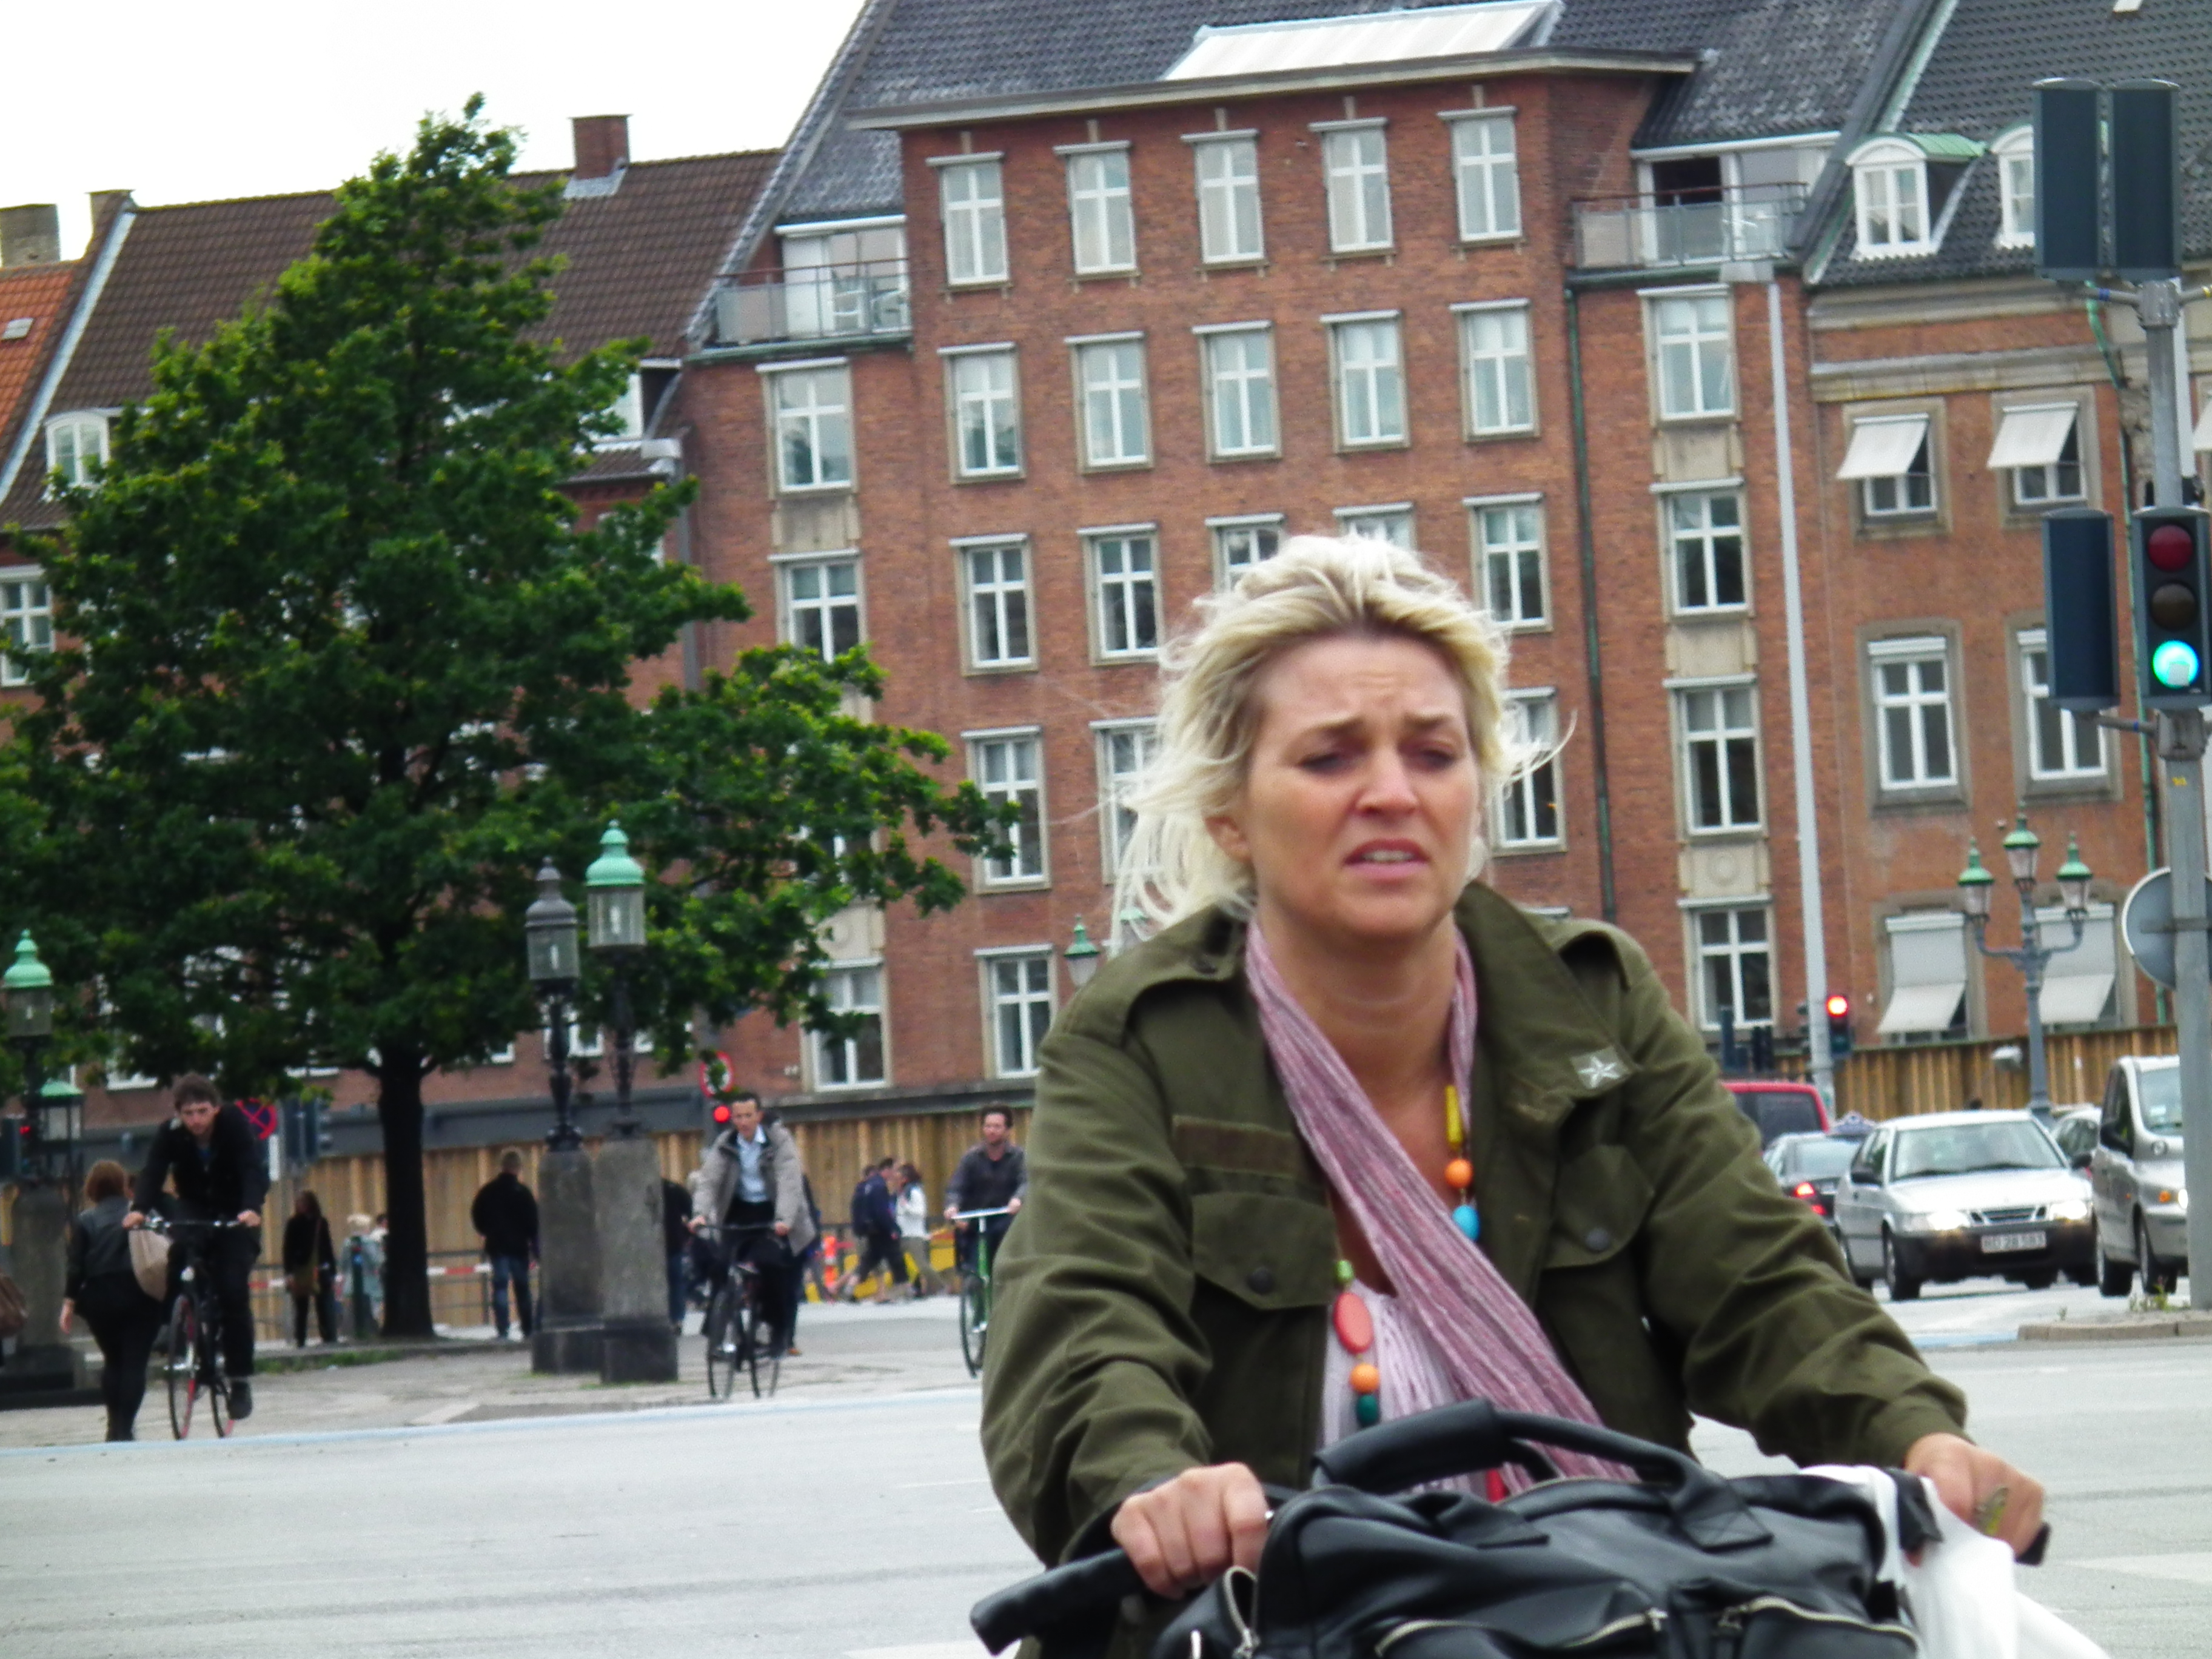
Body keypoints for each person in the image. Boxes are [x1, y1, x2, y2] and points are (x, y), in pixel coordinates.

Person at [979, 536, 2045, 1621]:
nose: (1391, 792)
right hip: (1280, 1624)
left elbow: (1758, 1279)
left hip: (1605, 1618)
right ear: (1229, 811)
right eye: (1330, 759)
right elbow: (1082, 1323)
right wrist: (1152, 1483)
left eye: (1433, 754)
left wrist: (1917, 1435)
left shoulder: (1591, 1000)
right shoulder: (1137, 1039)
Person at [124, 1075, 267, 1419]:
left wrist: (251, 1207)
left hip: (235, 1211)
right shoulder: (171, 1133)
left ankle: (239, 1379)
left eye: (203, 1111)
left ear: (216, 1108)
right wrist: (140, 1209)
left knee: (233, 1291)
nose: (196, 1121)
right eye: (188, 1114)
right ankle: (176, 1322)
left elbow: (251, 1168)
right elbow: (154, 1171)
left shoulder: (233, 1125)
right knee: (179, 1254)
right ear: (179, 1114)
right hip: (196, 1207)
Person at [692, 1090, 815, 1358]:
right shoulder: (726, 1144)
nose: (743, 1122)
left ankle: (776, 1331)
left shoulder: (779, 1141)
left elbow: (789, 1181)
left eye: (748, 1116)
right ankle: (718, 1335)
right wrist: (700, 1214)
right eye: (738, 1117)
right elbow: (709, 1181)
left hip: (772, 1212)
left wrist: (784, 1219)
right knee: (721, 1267)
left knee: (771, 1267)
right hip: (740, 1211)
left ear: (759, 1116)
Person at [61, 1160, 166, 1441]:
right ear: (123, 1184)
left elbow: (76, 1266)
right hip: (140, 1294)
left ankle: (112, 1424)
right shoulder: (143, 1213)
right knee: (135, 1363)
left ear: (92, 1188)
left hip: (100, 1298)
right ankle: (125, 1427)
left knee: (113, 1360)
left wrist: (69, 1303)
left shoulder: (85, 1220)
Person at [943, 1107, 1027, 1282]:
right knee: (972, 1266)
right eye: (988, 1126)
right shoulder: (971, 1158)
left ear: (1008, 1130)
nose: (992, 1131)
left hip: (1005, 1220)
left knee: (1007, 1265)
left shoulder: (1018, 1157)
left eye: (997, 1126)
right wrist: (953, 1206)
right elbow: (957, 1187)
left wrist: (1018, 1199)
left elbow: (1026, 1182)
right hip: (976, 1221)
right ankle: (974, 1286)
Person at [471, 1149, 538, 1341]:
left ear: (502, 1166)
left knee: (500, 1287)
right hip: (519, 1248)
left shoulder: (488, 1192)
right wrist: (532, 1244)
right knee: (522, 1289)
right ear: (519, 1167)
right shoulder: (523, 1193)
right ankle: (528, 1329)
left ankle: (503, 1330)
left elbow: (477, 1216)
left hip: (497, 1246)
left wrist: (487, 1232)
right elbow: (533, 1222)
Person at [282, 1191, 339, 1347]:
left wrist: (333, 1271)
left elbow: (327, 1246)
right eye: (299, 1202)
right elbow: (288, 1249)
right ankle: (300, 1339)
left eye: (303, 1202)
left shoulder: (321, 1222)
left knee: (323, 1304)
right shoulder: (294, 1223)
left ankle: (328, 1337)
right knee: (301, 1306)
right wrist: (289, 1272)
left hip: (320, 1268)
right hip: (301, 1269)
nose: (300, 1205)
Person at [897, 1162, 942, 1296]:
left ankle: (941, 1286)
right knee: (895, 1262)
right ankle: (904, 1289)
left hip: (914, 1235)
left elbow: (921, 1212)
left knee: (922, 1265)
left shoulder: (915, 1192)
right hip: (903, 1234)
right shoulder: (903, 1193)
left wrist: (907, 1208)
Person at [661, 1176, 694, 1335]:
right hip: (674, 1241)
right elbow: (690, 1210)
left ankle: (670, 1318)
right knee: (676, 1282)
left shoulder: (670, 1188)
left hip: (665, 1243)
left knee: (674, 1282)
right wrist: (686, 1233)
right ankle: (677, 1319)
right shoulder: (672, 1188)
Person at [343, 1213, 383, 1339]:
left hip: (351, 1283)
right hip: (369, 1283)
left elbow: (343, 1264)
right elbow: (377, 1260)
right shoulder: (369, 1242)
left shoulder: (347, 1243)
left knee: (354, 1310)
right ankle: (370, 1332)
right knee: (373, 1311)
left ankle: (355, 1332)